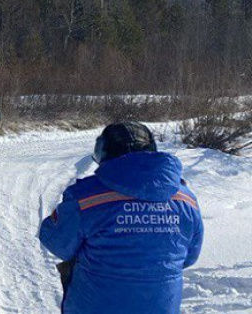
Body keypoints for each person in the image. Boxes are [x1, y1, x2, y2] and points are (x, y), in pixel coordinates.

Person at [39, 121, 204, 313]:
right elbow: (190, 256)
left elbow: (57, 242)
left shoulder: (85, 196)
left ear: (105, 151)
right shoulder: (186, 199)